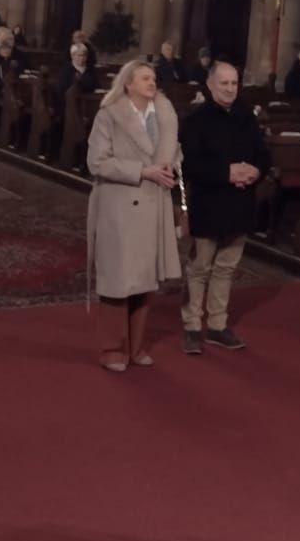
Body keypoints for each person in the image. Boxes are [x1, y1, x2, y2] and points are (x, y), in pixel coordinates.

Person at [86, 60, 181, 372]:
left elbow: (172, 151)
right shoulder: (109, 115)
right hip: (120, 206)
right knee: (118, 280)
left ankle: (136, 348)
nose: (152, 83)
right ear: (127, 84)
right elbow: (96, 161)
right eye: (144, 78)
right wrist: (142, 171)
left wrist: (171, 164)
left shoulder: (164, 114)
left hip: (153, 204)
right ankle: (113, 349)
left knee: (144, 279)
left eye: (153, 78)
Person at [179, 59, 270, 354]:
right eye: (224, 83)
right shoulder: (196, 119)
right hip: (208, 202)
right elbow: (190, 165)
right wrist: (227, 173)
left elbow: (263, 154)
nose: (230, 89)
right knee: (200, 267)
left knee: (227, 267)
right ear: (210, 85)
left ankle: (217, 325)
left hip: (240, 202)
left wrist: (255, 171)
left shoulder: (246, 116)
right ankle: (193, 325)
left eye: (234, 83)